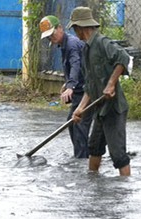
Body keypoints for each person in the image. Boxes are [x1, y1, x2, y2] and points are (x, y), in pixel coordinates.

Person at [66, 6, 131, 176]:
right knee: (94, 148)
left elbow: (123, 58)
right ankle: (92, 183)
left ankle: (125, 189)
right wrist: (80, 108)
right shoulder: (86, 49)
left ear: (80, 27)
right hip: (100, 109)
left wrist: (111, 84)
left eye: (74, 28)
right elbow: (90, 86)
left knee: (118, 155)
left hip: (114, 109)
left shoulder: (102, 43)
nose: (74, 32)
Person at [39, 15, 93, 158]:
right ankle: (84, 155)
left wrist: (70, 86)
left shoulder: (72, 44)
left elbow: (75, 64)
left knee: (79, 125)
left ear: (60, 28)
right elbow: (78, 67)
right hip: (80, 90)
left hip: (88, 91)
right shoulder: (64, 44)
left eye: (52, 34)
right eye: (48, 37)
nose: (51, 38)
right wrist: (67, 82)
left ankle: (83, 160)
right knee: (72, 123)